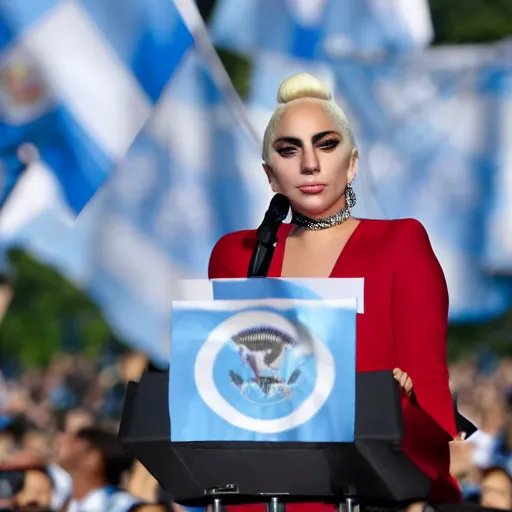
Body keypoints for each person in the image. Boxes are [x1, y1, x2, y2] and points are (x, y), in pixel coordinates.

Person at [208, 73, 459, 510]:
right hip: (260, 495)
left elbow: (435, 408)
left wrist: (395, 404)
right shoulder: (238, 254)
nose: (310, 163)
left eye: (326, 144)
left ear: (354, 162)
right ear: (269, 174)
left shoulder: (401, 243)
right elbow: (222, 393)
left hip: (370, 493)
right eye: (290, 149)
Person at [56, 426, 141, 512]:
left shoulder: (123, 506)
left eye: (76, 439)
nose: (62, 439)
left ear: (92, 457)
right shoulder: (66, 505)